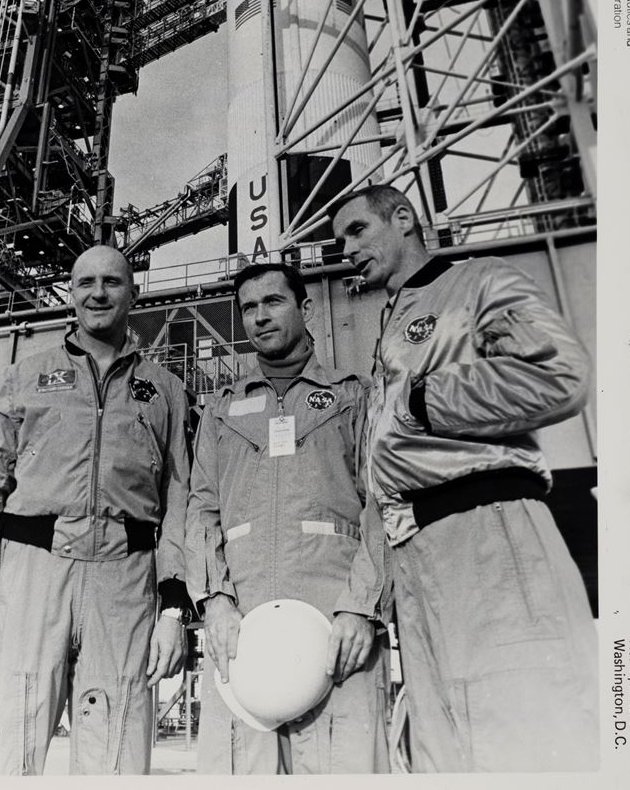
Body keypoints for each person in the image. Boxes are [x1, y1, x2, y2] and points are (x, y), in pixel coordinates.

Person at [329, 184, 599, 772]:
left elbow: (562, 373)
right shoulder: (390, 326)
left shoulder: (478, 280)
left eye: (356, 230)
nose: (345, 248)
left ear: (403, 218)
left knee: (517, 730)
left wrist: (427, 399)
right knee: (444, 747)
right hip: (418, 554)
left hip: (487, 533)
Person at [0, 246, 193, 775]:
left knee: (118, 744)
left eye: (112, 282)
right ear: (71, 295)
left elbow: (180, 502)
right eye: (85, 283)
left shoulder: (166, 390)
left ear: (133, 293)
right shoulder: (25, 377)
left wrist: (172, 608)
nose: (97, 293)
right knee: (9, 739)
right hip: (31, 576)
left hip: (125, 582)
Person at [185, 262, 392, 775]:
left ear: (305, 308)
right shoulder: (221, 410)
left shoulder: (353, 396)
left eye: (272, 302)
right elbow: (201, 508)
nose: (259, 317)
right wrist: (215, 601)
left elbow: (383, 502)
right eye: (248, 308)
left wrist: (361, 608)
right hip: (240, 631)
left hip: (335, 629)